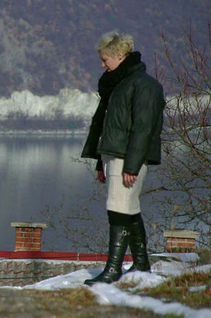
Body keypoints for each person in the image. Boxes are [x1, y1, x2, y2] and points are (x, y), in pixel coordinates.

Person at [81, 31, 165, 286]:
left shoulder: (145, 85)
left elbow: (143, 127)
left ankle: (113, 270)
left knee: (118, 210)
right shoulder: (118, 85)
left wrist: (132, 164)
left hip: (127, 158)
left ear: (120, 55)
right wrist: (99, 162)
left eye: (105, 59)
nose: (102, 64)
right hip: (114, 155)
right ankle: (141, 265)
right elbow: (108, 126)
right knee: (129, 209)